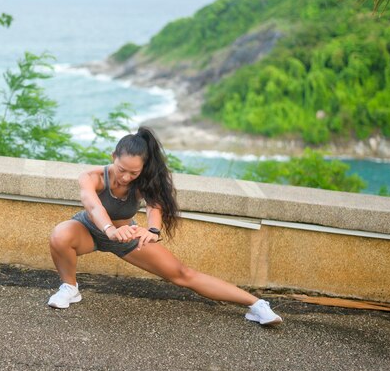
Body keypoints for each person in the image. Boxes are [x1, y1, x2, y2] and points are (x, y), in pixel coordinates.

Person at [48, 126, 282, 326]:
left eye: (134, 172)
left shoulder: (143, 182)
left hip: (128, 235)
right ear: (113, 157)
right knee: (61, 234)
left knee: (182, 274)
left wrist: (151, 231)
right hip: (89, 229)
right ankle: (70, 288)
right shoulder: (92, 176)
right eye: (122, 170)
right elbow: (93, 206)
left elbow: (154, 208)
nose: (126, 177)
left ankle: (256, 305)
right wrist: (110, 230)